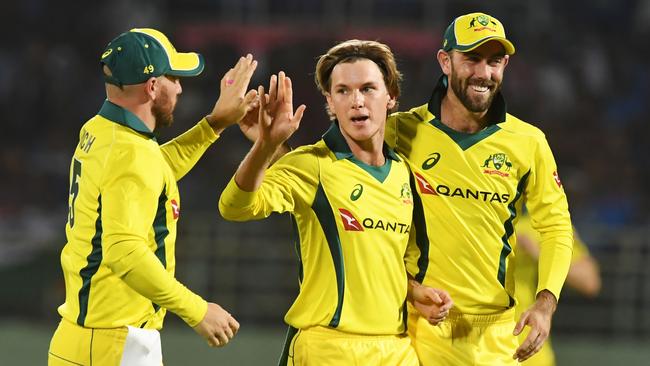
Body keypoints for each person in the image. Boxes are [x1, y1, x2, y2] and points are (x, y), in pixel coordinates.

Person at [219, 40, 452, 366]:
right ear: (330, 101)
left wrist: (412, 291)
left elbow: (379, 255)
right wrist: (264, 146)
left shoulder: (403, 174)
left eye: (368, 88)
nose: (356, 101)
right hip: (329, 348)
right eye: (343, 91)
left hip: (396, 349)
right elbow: (234, 207)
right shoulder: (309, 164)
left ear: (391, 97)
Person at [48, 28, 259, 365]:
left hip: (81, 338)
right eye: (173, 77)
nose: (179, 87)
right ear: (152, 86)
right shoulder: (131, 153)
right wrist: (198, 310)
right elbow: (124, 251)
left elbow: (153, 170)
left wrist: (214, 125)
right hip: (116, 344)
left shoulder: (99, 130)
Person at [385, 12, 574, 365]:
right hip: (418, 329)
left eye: (495, 61)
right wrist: (270, 145)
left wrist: (546, 303)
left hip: (498, 338)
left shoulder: (528, 142)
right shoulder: (398, 132)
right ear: (445, 61)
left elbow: (556, 227)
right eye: (471, 58)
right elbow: (329, 176)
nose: (484, 73)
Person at [514, 212, 601, 366]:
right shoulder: (474, 215)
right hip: (473, 343)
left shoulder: (546, 224)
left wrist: (539, 255)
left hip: (527, 349)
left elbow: (590, 282)